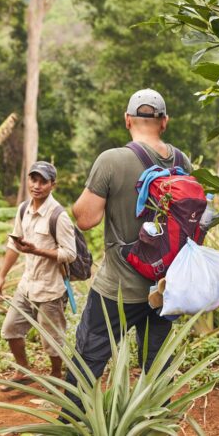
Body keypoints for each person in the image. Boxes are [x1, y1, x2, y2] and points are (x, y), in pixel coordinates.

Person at [66, 89, 193, 402]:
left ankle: (71, 422)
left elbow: (86, 219)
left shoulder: (112, 160)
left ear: (127, 120)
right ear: (164, 122)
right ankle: (155, 422)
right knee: (157, 365)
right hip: (165, 289)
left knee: (88, 358)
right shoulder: (181, 162)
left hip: (118, 288)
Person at [0, 161, 77, 387]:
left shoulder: (59, 216)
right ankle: (24, 372)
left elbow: (70, 254)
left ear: (52, 185)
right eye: (33, 179)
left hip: (50, 289)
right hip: (27, 285)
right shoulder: (23, 209)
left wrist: (37, 250)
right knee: (10, 329)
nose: (37, 185)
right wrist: (1, 275)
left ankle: (56, 375)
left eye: (43, 181)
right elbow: (13, 244)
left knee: (52, 340)